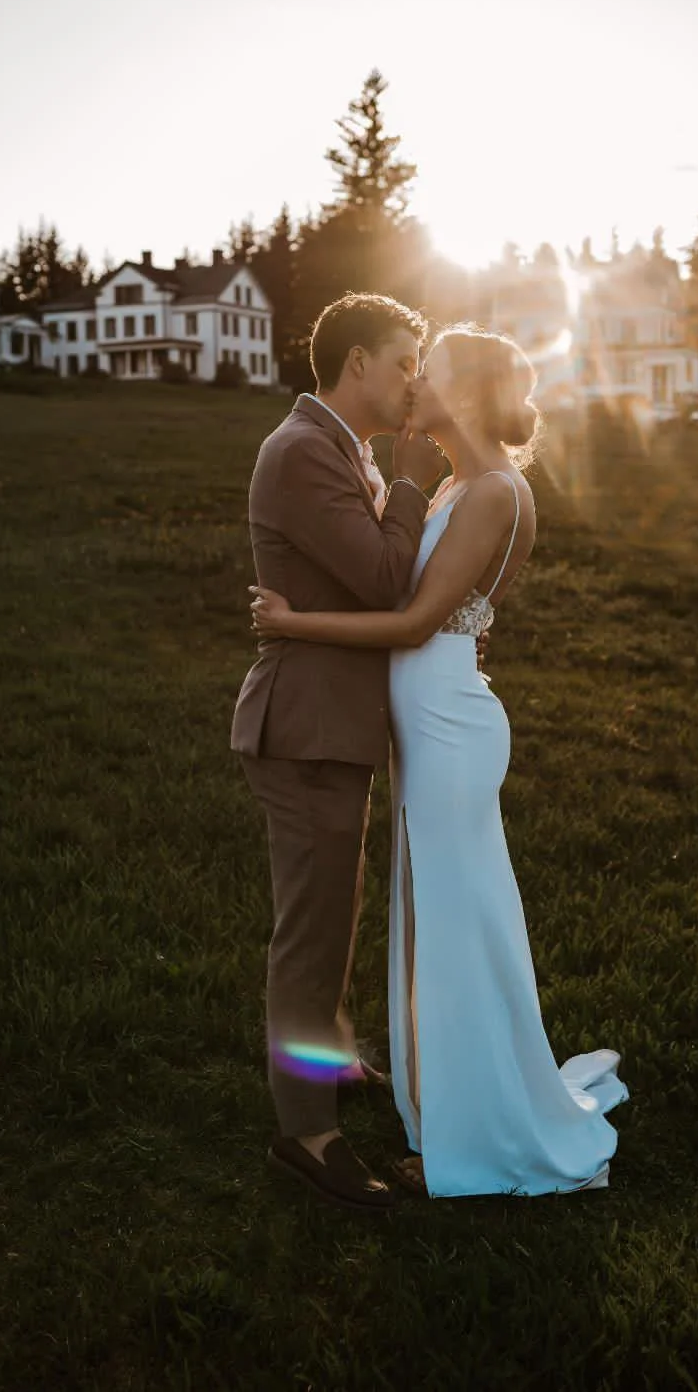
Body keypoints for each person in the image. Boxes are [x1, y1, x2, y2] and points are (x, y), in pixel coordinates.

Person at [250, 325, 629, 1199]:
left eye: (435, 368)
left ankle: (472, 1134)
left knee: (452, 932)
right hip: (428, 726)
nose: (417, 381)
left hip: (452, 730)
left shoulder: (494, 489)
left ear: (471, 388)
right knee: (437, 925)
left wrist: (291, 622)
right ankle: (445, 1104)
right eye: (412, 366)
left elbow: (416, 622)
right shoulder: (459, 483)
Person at [231, 292, 446, 1212]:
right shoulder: (300, 453)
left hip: (333, 724)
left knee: (334, 912)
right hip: (306, 726)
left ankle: (324, 1055)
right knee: (310, 931)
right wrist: (410, 481)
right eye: (404, 361)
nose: (413, 380)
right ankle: (305, 1133)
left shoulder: (333, 445)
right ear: (355, 362)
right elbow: (386, 576)